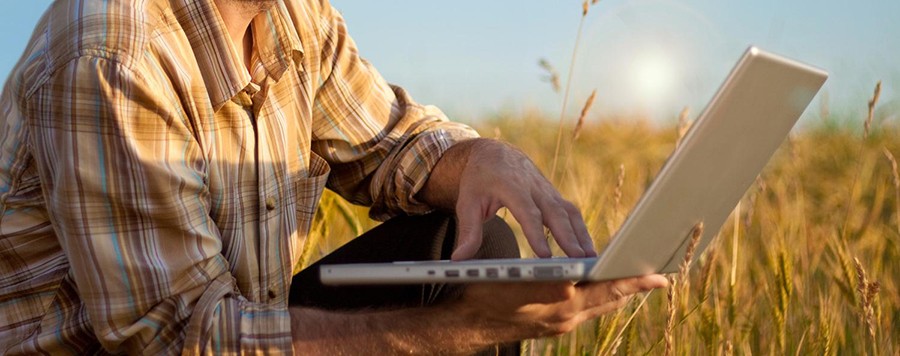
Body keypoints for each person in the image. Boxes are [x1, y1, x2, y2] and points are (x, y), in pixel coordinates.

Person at [0, 0, 667, 354]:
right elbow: (181, 341)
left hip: (231, 327)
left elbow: (390, 141)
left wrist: (483, 159)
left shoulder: (293, 16)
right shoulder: (113, 59)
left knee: (469, 249)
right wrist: (467, 328)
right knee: (463, 309)